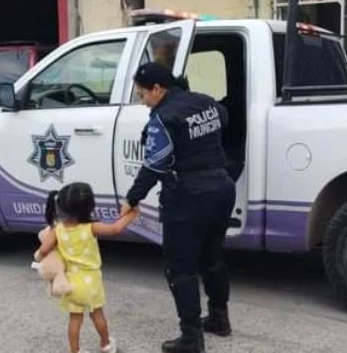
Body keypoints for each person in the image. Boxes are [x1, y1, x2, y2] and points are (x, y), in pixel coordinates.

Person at [123, 63, 236, 353]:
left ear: (157, 89)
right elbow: (224, 118)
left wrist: (132, 198)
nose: (142, 101)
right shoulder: (204, 101)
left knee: (181, 270)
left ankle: (191, 338)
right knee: (213, 259)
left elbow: (154, 164)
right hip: (222, 189)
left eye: (142, 94)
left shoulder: (163, 118)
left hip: (188, 197)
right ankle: (219, 318)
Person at [36, 182, 139, 353]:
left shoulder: (57, 230)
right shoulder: (91, 228)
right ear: (89, 208)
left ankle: (75, 350)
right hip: (91, 283)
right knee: (97, 314)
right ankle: (106, 344)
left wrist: (43, 256)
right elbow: (115, 229)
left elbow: (43, 250)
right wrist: (132, 214)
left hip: (70, 283)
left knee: (75, 319)